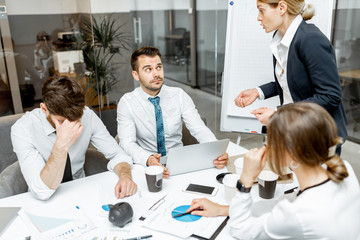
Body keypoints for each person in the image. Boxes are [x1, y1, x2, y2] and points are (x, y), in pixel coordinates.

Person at [186, 102, 360, 239]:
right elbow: (285, 202)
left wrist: (246, 180)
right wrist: (223, 209)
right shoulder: (342, 168)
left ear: (293, 152)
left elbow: (241, 230)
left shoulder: (299, 213)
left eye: (271, 139)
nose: (266, 145)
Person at [234, 0, 347, 154]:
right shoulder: (279, 37)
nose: (258, 18)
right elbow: (292, 81)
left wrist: (278, 113)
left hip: (318, 136)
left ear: (282, 7)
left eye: (261, 10)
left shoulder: (311, 40)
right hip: (294, 129)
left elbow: (330, 96)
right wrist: (258, 91)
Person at [11, 76, 137, 200]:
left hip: (79, 190)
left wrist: (125, 176)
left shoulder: (87, 116)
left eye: (76, 120)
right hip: (46, 200)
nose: (70, 126)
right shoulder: (23, 129)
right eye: (61, 121)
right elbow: (41, 191)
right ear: (44, 109)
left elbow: (118, 155)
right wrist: (61, 145)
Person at [117, 46, 228, 177]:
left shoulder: (179, 95)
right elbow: (127, 143)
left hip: (179, 164)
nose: (156, 74)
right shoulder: (127, 102)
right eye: (148, 69)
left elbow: (199, 129)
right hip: (145, 166)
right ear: (136, 75)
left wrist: (216, 151)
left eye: (159, 67)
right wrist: (148, 159)